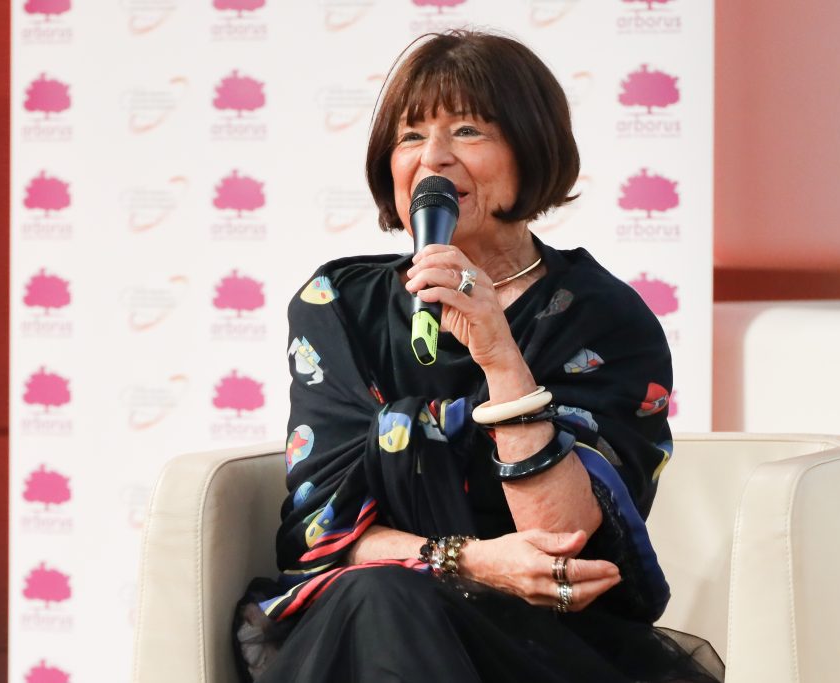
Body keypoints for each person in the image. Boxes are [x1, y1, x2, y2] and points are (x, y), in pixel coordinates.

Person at [233, 29, 724, 683]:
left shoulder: (603, 316)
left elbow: (567, 539)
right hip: (365, 613)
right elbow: (323, 533)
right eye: (411, 136)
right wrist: (469, 561)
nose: (433, 158)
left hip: (539, 640)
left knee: (388, 602)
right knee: (383, 596)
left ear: (530, 149)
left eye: (467, 131)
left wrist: (499, 354)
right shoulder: (340, 305)